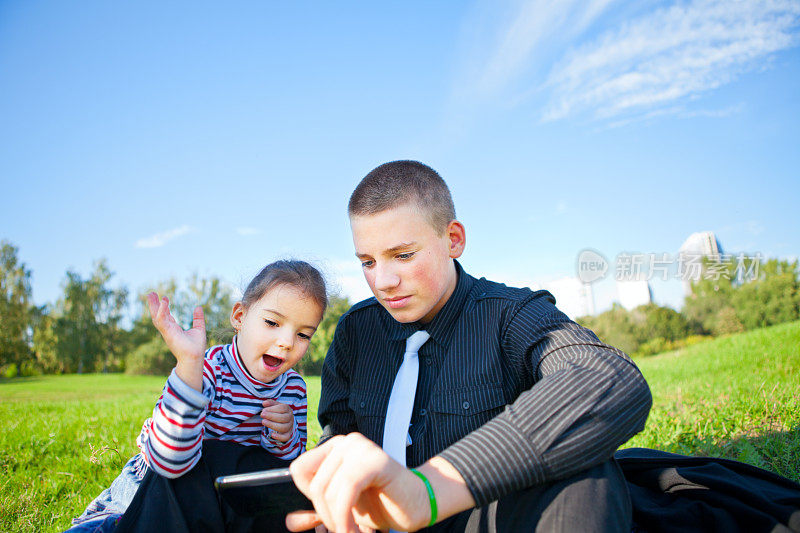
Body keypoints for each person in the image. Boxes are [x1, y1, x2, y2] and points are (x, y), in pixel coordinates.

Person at [286, 161, 653, 533]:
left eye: (403, 255)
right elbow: (339, 434)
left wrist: (429, 489)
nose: (383, 281)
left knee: (582, 469)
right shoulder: (355, 331)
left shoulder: (509, 315)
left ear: (454, 240)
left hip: (481, 517)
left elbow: (607, 378)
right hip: (371, 525)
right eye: (367, 261)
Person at [67, 259, 327, 533]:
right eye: (272, 322)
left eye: (302, 334)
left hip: (226, 497)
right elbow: (171, 462)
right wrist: (190, 365)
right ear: (239, 317)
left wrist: (284, 436)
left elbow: (286, 466)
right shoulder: (210, 371)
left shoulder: (293, 388)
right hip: (156, 487)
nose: (287, 341)